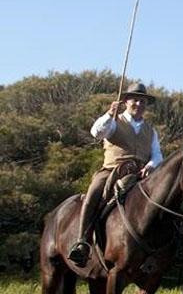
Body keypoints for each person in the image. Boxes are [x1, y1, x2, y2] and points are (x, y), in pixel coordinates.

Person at [69, 83, 163, 267]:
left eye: (142, 101)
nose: (139, 104)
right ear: (126, 101)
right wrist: (109, 113)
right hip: (113, 170)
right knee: (94, 192)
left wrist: (151, 165)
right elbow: (96, 132)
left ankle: (156, 250)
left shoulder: (151, 130)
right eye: (135, 100)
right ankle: (82, 242)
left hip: (141, 174)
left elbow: (157, 154)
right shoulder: (114, 121)